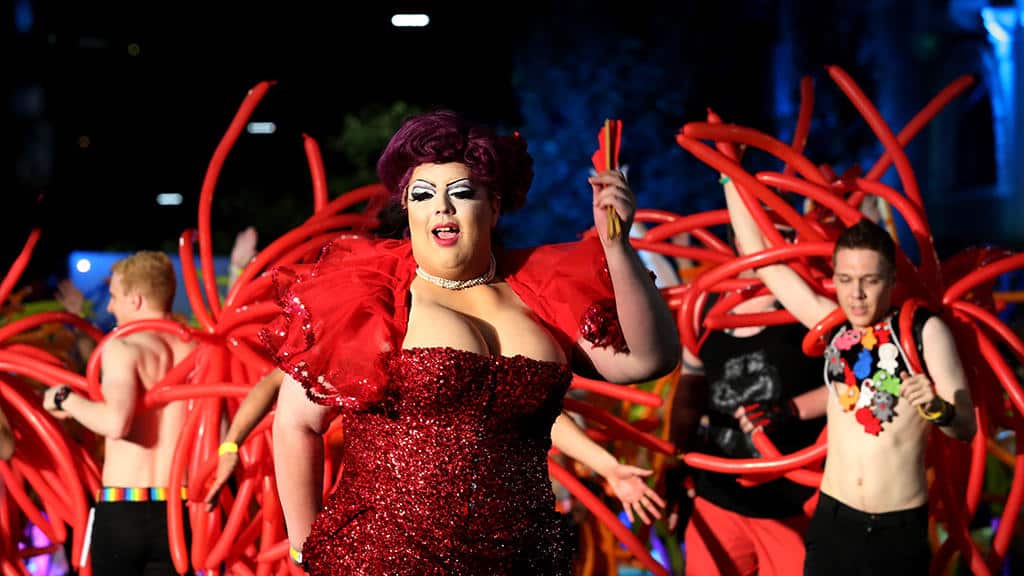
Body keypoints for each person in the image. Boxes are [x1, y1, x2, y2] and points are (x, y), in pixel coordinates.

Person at [265, 110, 680, 574]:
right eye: (422, 195)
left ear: (495, 205)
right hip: (384, 560)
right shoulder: (371, 296)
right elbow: (296, 424)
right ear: (408, 210)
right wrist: (306, 549)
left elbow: (650, 359)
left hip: (522, 560)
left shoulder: (539, 292)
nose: (441, 207)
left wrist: (617, 245)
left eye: (460, 192)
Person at [722, 177, 976, 575]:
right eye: (845, 280)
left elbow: (965, 427)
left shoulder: (923, 333)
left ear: (891, 281)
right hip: (834, 522)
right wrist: (729, 175)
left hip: (896, 529)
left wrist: (937, 408)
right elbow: (762, 259)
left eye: (869, 280)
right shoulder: (836, 330)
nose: (856, 294)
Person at [204, 365, 665, 525]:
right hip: (370, 527)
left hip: (474, 533)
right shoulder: (365, 328)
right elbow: (280, 392)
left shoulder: (473, 328)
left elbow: (525, 408)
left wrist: (606, 466)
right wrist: (230, 449)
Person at [666, 259, 828, 576]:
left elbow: (851, 383)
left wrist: (791, 408)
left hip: (795, 504)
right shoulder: (705, 302)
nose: (773, 234)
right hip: (718, 499)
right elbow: (690, 389)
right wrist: (674, 465)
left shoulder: (812, 299)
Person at [43, 250, 197, 575]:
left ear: (136, 299)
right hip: (181, 512)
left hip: (124, 509)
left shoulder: (123, 347)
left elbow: (115, 422)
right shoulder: (200, 351)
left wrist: (64, 399)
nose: (110, 306)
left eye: (114, 297)